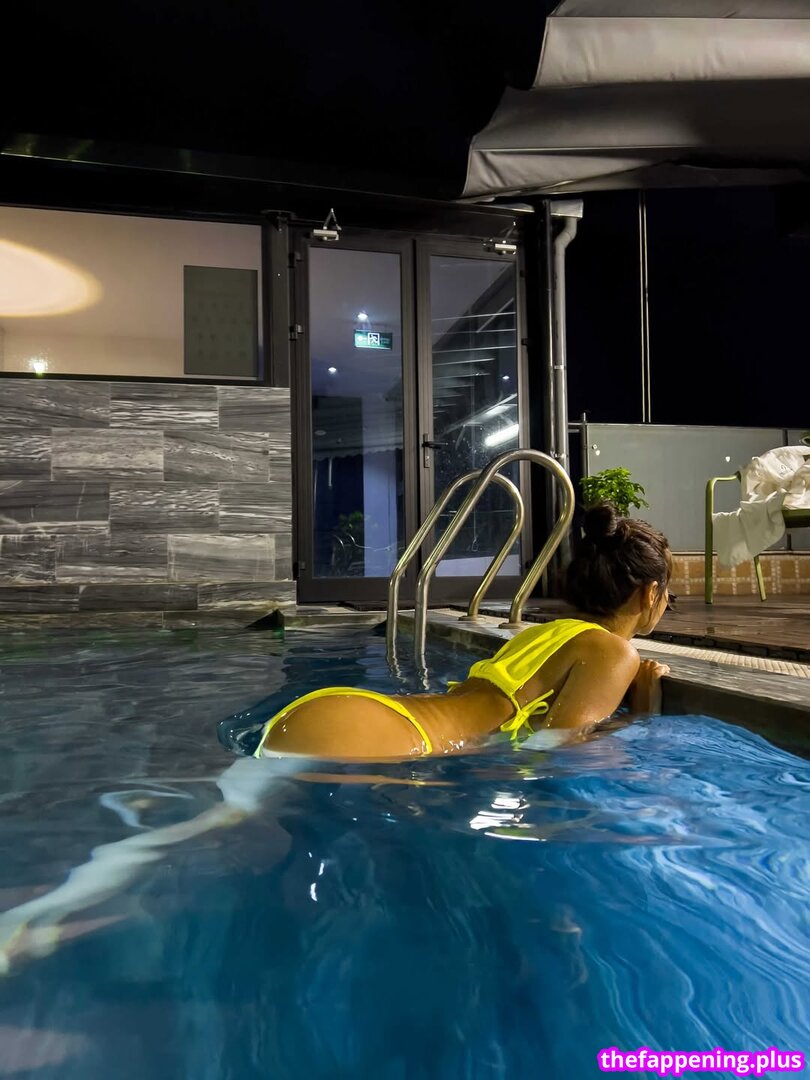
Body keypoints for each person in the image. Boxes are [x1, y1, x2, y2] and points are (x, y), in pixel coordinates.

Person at [254, 502, 673, 760]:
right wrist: (642, 711)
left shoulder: (545, 633)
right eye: (667, 593)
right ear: (650, 592)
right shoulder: (615, 651)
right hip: (394, 732)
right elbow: (558, 746)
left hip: (353, 711)